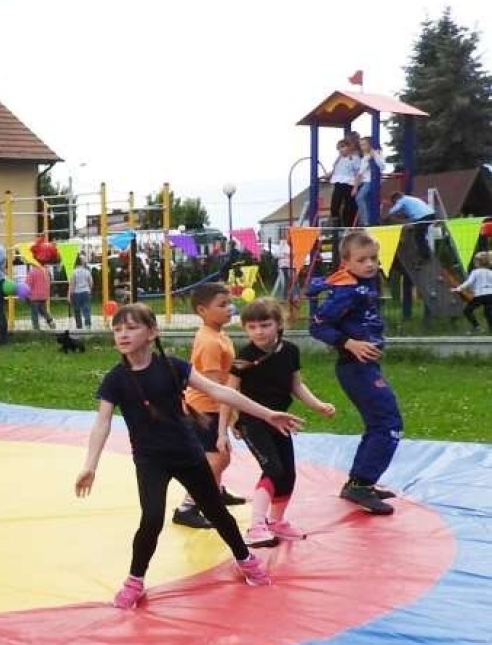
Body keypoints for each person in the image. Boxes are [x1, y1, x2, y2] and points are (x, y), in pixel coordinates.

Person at [75, 303, 300, 608]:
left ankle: (245, 559)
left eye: (131, 327)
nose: (123, 334)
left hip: (188, 454)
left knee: (216, 511)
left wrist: (267, 414)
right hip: (150, 460)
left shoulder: (173, 367)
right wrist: (90, 465)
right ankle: (135, 580)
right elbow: (102, 422)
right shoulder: (116, 379)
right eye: (117, 329)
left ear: (152, 332)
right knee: (151, 518)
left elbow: (220, 392)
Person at [226, 298, 337, 546]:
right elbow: (229, 392)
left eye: (265, 325)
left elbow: (295, 384)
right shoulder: (244, 357)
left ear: (279, 325)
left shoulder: (290, 351)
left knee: (288, 474)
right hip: (252, 421)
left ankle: (276, 521)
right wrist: (229, 423)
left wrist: (317, 404)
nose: (259, 332)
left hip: (281, 420)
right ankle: (256, 525)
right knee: (273, 470)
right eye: (252, 327)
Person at [308, 230, 405, 514]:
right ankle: (360, 485)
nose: (370, 264)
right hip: (355, 369)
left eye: (374, 258)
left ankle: (360, 482)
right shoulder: (347, 290)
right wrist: (349, 343)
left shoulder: (361, 284)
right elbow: (317, 326)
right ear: (346, 262)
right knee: (389, 424)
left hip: (365, 367)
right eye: (362, 259)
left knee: (379, 424)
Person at [172, 283, 242, 529]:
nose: (229, 309)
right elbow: (214, 387)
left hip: (212, 406)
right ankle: (188, 506)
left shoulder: (218, 334)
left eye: (229, 303)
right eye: (222, 305)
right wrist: (232, 417)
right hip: (206, 408)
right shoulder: (210, 342)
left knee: (221, 456)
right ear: (202, 310)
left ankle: (216, 492)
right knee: (216, 458)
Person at [328, 137, 362, 227]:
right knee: (334, 206)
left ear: (349, 147)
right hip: (338, 184)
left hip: (349, 184)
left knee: (349, 207)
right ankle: (337, 226)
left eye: (342, 147)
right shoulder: (340, 159)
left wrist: (355, 188)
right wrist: (329, 175)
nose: (340, 150)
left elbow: (358, 174)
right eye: (339, 148)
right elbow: (335, 170)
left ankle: (348, 226)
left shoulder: (355, 158)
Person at [455, 251, 492, 331]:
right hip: (490, 295)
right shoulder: (490, 272)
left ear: (478, 262)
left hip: (480, 295)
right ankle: (491, 329)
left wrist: (459, 288)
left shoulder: (475, 272)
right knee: (488, 312)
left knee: (467, 310)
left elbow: (469, 282)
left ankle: (477, 327)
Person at [23, 262, 56, 331]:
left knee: (34, 313)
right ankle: (50, 321)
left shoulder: (32, 272)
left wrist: (26, 295)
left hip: (34, 297)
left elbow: (27, 285)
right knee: (44, 311)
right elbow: (49, 283)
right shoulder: (45, 271)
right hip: (43, 296)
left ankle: (36, 328)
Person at [69, 254, 94, 330]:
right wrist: (89, 290)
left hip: (76, 293)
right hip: (86, 292)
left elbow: (72, 284)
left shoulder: (74, 272)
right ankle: (88, 324)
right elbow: (91, 283)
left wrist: (71, 294)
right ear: (83, 263)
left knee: (77, 310)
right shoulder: (87, 272)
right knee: (86, 309)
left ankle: (79, 325)